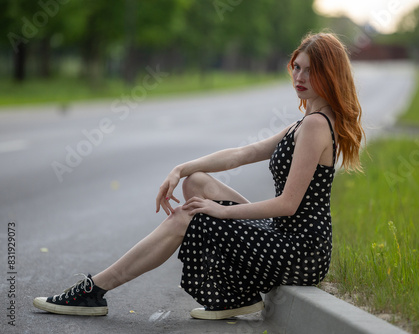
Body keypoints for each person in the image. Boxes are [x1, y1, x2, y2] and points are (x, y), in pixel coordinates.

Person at [33, 32, 365, 320]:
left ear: (329, 74)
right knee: (197, 184)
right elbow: (243, 154)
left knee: (189, 217)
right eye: (297, 66)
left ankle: (94, 289)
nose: (300, 76)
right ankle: (236, 297)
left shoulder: (315, 126)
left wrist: (222, 212)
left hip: (300, 253)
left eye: (311, 70)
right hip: (287, 240)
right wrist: (182, 168)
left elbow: (288, 205)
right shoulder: (308, 121)